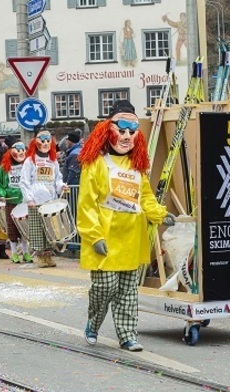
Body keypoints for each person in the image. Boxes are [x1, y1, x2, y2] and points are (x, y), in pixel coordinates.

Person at [77, 100, 171, 352]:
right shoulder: (95, 163)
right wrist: (94, 236)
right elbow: (86, 204)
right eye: (122, 129)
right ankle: (93, 323)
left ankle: (127, 334)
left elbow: (146, 197)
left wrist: (160, 214)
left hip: (131, 239)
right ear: (108, 129)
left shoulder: (136, 165)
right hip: (105, 239)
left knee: (128, 291)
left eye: (133, 130)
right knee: (105, 287)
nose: (127, 136)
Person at [20, 127, 68, 268]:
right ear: (36, 142)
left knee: (50, 230)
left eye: (48, 141)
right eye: (43, 140)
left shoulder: (53, 161)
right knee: (37, 230)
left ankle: (48, 255)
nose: (46, 143)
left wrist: (61, 186)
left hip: (50, 201)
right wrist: (29, 199)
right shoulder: (30, 161)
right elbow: (24, 181)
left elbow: (57, 179)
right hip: (35, 201)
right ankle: (41, 256)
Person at [0, 140, 33, 263]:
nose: (20, 153)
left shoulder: (28, 166)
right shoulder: (4, 168)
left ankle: (26, 253)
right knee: (12, 228)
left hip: (25, 201)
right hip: (11, 201)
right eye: (17, 150)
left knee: (25, 228)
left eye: (22, 150)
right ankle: (15, 253)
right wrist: (1, 195)